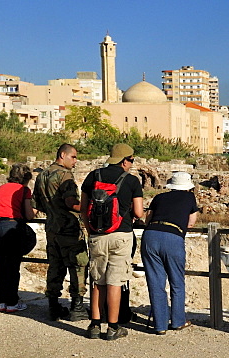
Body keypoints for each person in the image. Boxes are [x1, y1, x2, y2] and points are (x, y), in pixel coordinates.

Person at [80, 143, 144, 341]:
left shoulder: (93, 176)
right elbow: (139, 212)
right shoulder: (132, 181)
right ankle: (113, 327)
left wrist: (90, 229)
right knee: (115, 281)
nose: (131, 164)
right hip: (121, 235)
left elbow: (83, 208)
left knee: (97, 280)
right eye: (131, 160)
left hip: (97, 235)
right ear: (124, 160)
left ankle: (95, 325)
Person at [33, 143, 89, 321]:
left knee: (55, 267)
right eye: (73, 157)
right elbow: (70, 202)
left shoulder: (42, 175)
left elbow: (37, 205)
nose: (75, 161)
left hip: (52, 228)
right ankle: (77, 306)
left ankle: (53, 305)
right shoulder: (65, 175)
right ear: (63, 155)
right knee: (78, 265)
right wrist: (89, 208)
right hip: (69, 228)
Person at [141, 172, 199, 334]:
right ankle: (178, 321)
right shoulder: (189, 198)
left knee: (156, 282)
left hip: (151, 236)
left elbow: (148, 218)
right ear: (188, 187)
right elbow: (192, 222)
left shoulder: (159, 197)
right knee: (176, 282)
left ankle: (160, 326)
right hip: (173, 237)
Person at [0, 163, 36, 313]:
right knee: (13, 265)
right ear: (26, 178)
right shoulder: (24, 190)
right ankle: (12, 302)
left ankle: (2, 301)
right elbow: (28, 214)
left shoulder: (1, 188)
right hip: (9, 225)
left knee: (1, 265)